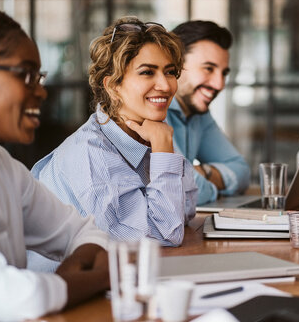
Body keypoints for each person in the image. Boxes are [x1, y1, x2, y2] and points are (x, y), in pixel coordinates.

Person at [0, 4, 110, 322]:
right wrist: (95, 278)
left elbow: (84, 232)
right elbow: (13, 298)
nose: (41, 92)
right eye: (26, 76)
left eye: (39, 77)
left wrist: (61, 283)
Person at [30, 17, 197, 257]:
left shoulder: (148, 131)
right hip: (66, 289)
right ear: (113, 86)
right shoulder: (91, 154)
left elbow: (187, 206)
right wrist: (163, 148)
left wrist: (161, 146)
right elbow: (163, 236)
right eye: (147, 72)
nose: (165, 85)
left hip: (124, 276)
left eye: (170, 72)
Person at [167, 20, 250, 205]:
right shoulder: (151, 109)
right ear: (174, 64)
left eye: (224, 73)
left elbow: (242, 172)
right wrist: (206, 185)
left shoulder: (199, 114)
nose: (219, 84)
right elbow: (179, 189)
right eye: (208, 69)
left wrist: (202, 172)